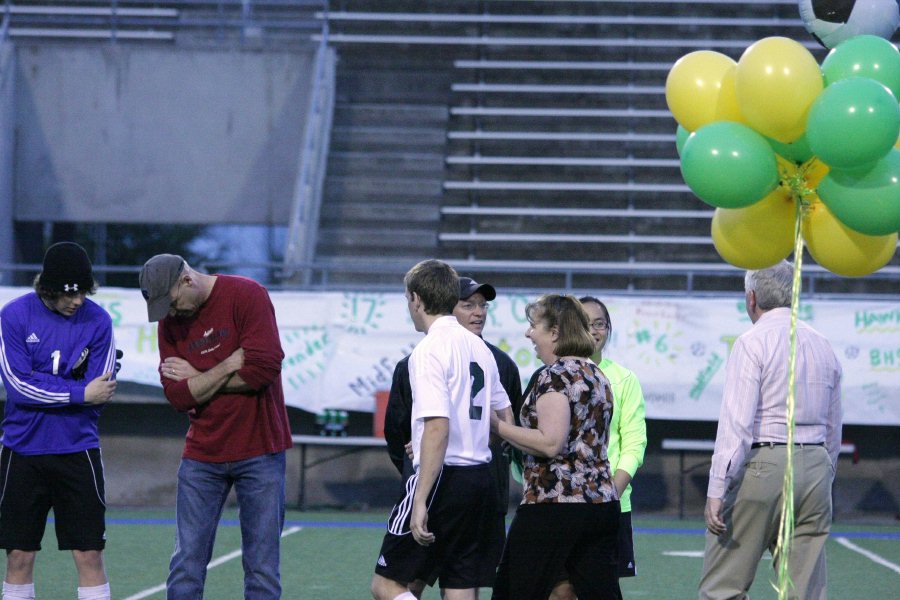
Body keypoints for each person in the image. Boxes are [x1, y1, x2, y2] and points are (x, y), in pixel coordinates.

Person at [139, 254, 292, 600]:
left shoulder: (247, 295)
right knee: (185, 565)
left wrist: (198, 376)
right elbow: (178, 396)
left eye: (173, 302)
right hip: (202, 453)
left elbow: (263, 370)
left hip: (260, 449)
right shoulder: (170, 322)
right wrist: (226, 364)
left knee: (262, 569)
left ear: (187, 280)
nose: (171, 314)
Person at [699, 260, 842, 600]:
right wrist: (825, 472)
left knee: (724, 587)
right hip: (816, 465)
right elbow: (834, 426)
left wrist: (717, 487)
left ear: (752, 298)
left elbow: (737, 425)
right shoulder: (823, 344)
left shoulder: (751, 342)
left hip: (764, 464)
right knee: (804, 591)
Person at [371, 259, 513, 600]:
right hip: (481, 478)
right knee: (461, 585)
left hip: (443, 479)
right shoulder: (481, 348)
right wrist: (477, 434)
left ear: (416, 299)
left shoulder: (429, 349)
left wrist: (420, 497)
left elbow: (437, 425)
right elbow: (505, 418)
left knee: (387, 584)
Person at [0, 242, 118, 600]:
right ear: (47, 290)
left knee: (89, 553)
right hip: (22, 450)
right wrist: (77, 393)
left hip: (77, 449)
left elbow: (103, 388)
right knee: (19, 555)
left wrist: (54, 388)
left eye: (83, 291)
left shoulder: (99, 321)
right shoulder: (14, 316)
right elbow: (18, 386)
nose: (77, 301)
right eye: (69, 294)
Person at [490, 294, 621, 600]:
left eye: (533, 325)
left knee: (512, 592)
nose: (528, 333)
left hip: (554, 505)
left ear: (555, 332)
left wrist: (498, 427)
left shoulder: (555, 376)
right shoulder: (597, 375)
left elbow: (550, 443)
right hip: (601, 505)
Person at [548, 296, 648, 599]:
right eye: (584, 323)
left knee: (598, 590)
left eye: (600, 323)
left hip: (609, 507)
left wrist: (609, 495)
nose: (593, 331)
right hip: (561, 504)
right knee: (559, 590)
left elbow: (634, 444)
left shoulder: (625, 379)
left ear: (609, 329)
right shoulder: (552, 375)